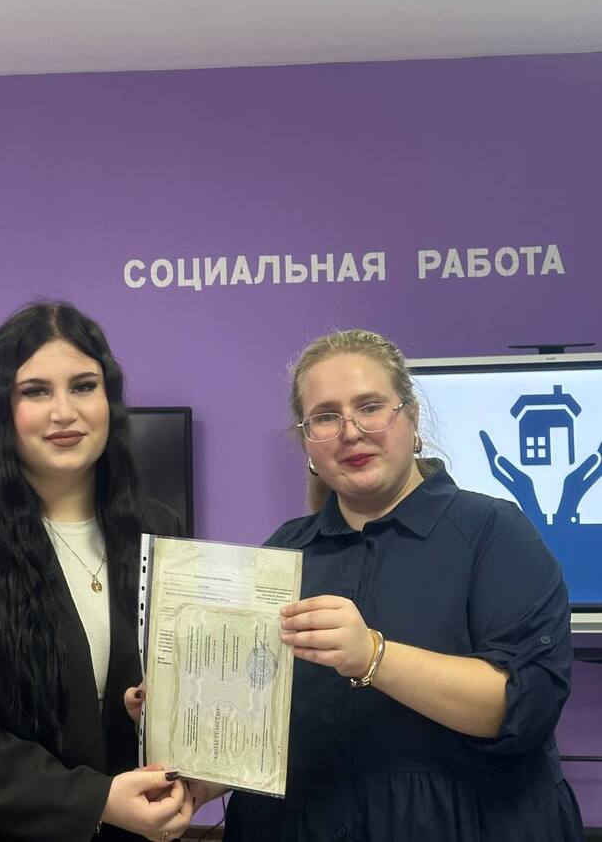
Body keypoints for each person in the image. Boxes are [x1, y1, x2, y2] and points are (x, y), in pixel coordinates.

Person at [218, 329, 584, 842]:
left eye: (370, 407)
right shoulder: (282, 551)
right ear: (307, 442)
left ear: (411, 419)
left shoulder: (494, 533)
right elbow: (254, 713)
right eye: (326, 416)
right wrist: (184, 717)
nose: (350, 432)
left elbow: (525, 706)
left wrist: (373, 655)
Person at [0, 302, 193, 842]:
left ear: (109, 400)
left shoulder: (159, 528)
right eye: (36, 391)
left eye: (84, 386)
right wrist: (95, 801)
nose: (64, 412)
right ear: (2, 409)